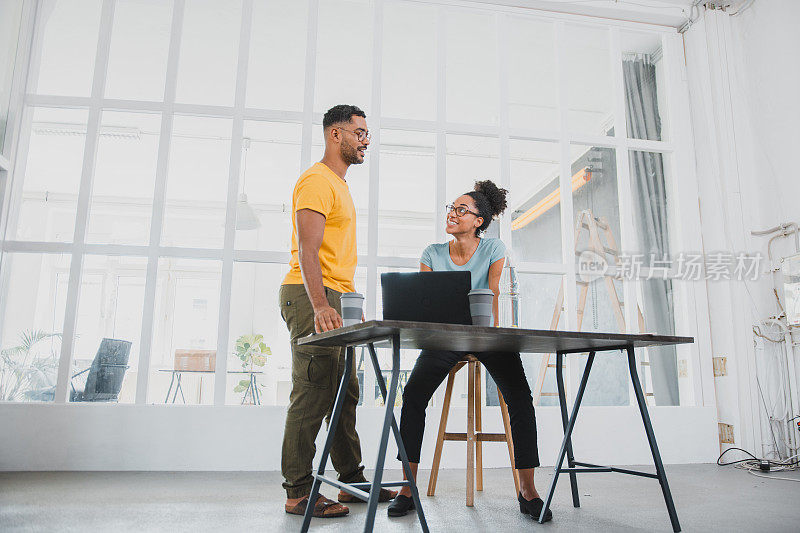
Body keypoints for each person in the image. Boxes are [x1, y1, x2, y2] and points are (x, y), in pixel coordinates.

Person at [387, 180, 552, 522]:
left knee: (520, 399)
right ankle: (407, 487)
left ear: (478, 220)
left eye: (462, 210)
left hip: (486, 336)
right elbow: (426, 302)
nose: (453, 213)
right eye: (452, 207)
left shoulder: (493, 248)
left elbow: (488, 297)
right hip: (445, 339)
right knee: (413, 395)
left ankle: (527, 490)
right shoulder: (432, 253)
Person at [279, 104, 396, 519]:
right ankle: (297, 490)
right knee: (313, 392)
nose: (366, 139)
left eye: (367, 133)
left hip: (338, 296)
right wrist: (320, 304)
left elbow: (333, 256)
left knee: (345, 392)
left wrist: (347, 306)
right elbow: (307, 250)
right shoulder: (316, 180)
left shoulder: (340, 185)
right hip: (310, 294)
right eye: (359, 132)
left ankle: (351, 479)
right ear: (335, 134)